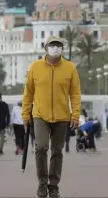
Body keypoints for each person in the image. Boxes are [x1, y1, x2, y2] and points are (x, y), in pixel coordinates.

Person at [22, 36, 81, 198]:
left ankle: (53, 185)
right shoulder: (35, 67)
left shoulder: (70, 68)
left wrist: (75, 115)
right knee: (41, 147)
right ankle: (42, 182)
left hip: (62, 117)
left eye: (59, 45)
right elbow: (28, 93)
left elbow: (75, 94)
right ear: (46, 48)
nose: (56, 48)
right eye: (52, 45)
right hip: (40, 115)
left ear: (62, 48)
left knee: (57, 151)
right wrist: (25, 115)